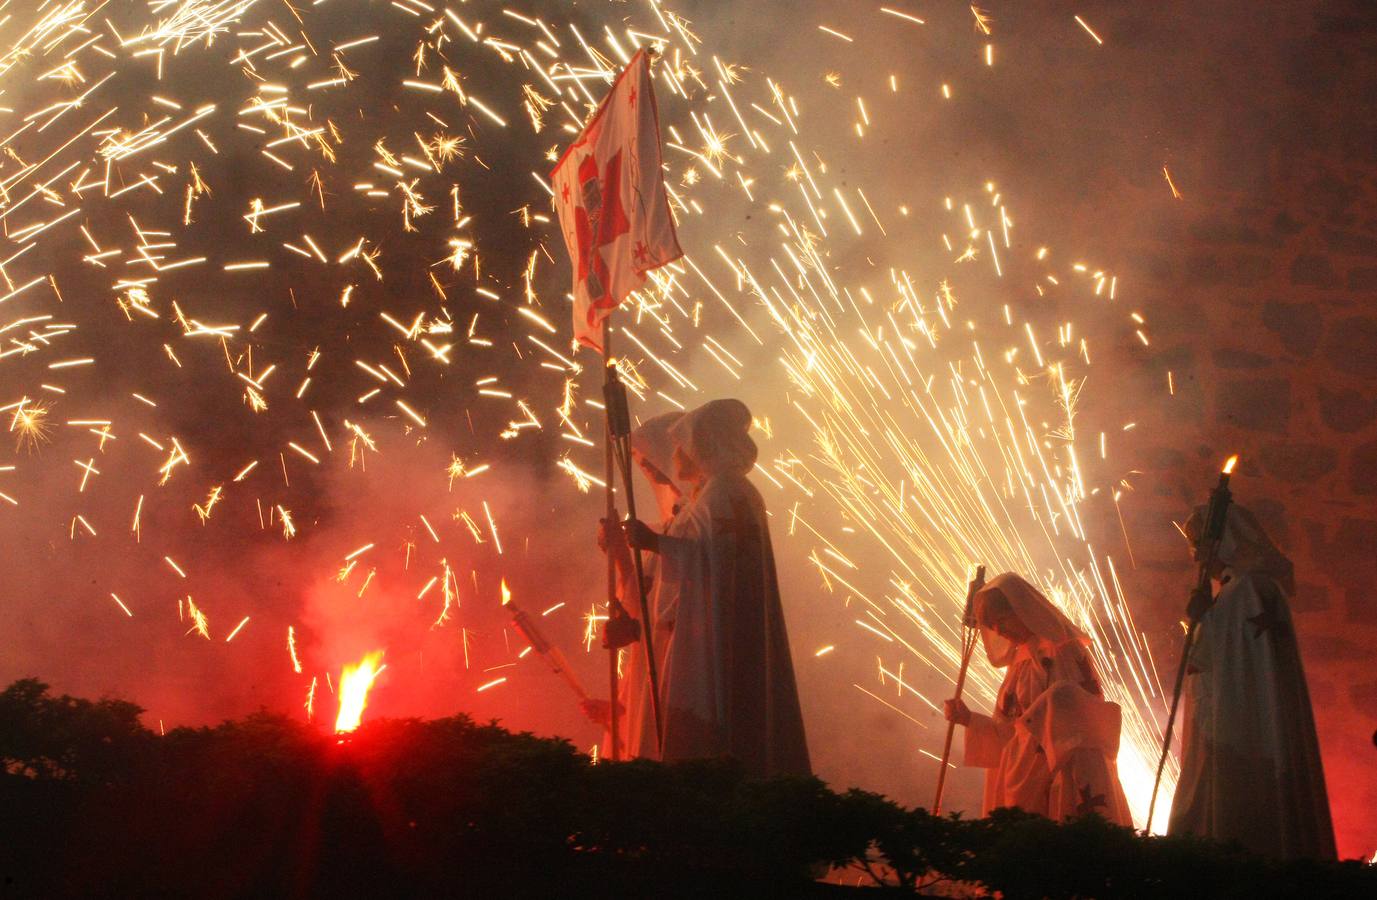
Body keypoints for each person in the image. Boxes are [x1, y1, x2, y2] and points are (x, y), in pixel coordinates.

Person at [623, 398, 811, 777]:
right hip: (708, 626)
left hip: (717, 632)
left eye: (682, 444)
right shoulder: (715, 493)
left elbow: (716, 560)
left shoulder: (724, 493)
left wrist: (656, 544)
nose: (675, 455)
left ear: (702, 446)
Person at [1167, 504, 1336, 860]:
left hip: (1243, 729)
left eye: (1200, 544)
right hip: (1226, 726)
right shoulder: (1236, 591)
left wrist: (1204, 618)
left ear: (1224, 542)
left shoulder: (1249, 591)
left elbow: (1233, 660)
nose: (1196, 556)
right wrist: (1205, 616)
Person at [943, 573, 1132, 825]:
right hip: (1021, 774)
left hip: (1059, 774)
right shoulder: (1019, 662)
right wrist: (970, 720)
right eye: (991, 625)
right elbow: (1011, 733)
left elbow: (1073, 722)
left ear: (1021, 609)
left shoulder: (1063, 651)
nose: (999, 630)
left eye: (1002, 619)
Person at [583, 412, 685, 760]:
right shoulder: (668, 528)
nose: (650, 473)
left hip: (677, 676)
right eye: (643, 466)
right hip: (647, 676)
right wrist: (618, 553)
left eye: (652, 462)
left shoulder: (693, 526)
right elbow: (641, 598)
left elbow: (669, 612)